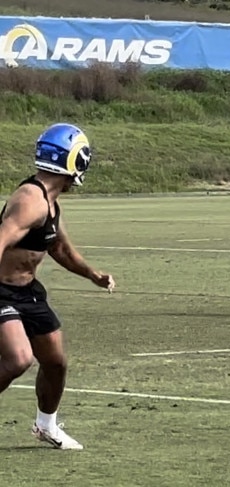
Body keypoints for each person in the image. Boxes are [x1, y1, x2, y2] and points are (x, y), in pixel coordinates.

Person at [0, 123, 115, 450]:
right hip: (1, 290)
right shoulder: (30, 199)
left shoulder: (51, 203)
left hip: (28, 291)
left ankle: (46, 425)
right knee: (19, 359)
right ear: (75, 161)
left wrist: (93, 275)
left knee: (55, 363)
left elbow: (60, 249)